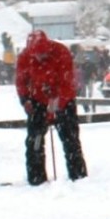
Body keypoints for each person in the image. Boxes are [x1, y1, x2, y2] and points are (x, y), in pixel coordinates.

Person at [15, 29, 88, 186]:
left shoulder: (61, 52)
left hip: (63, 99)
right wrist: (25, 100)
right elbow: (21, 81)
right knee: (35, 140)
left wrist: (57, 101)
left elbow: (67, 81)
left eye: (43, 55)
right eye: (36, 55)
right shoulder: (24, 57)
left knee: (70, 139)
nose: (40, 58)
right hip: (37, 100)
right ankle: (36, 177)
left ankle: (78, 175)